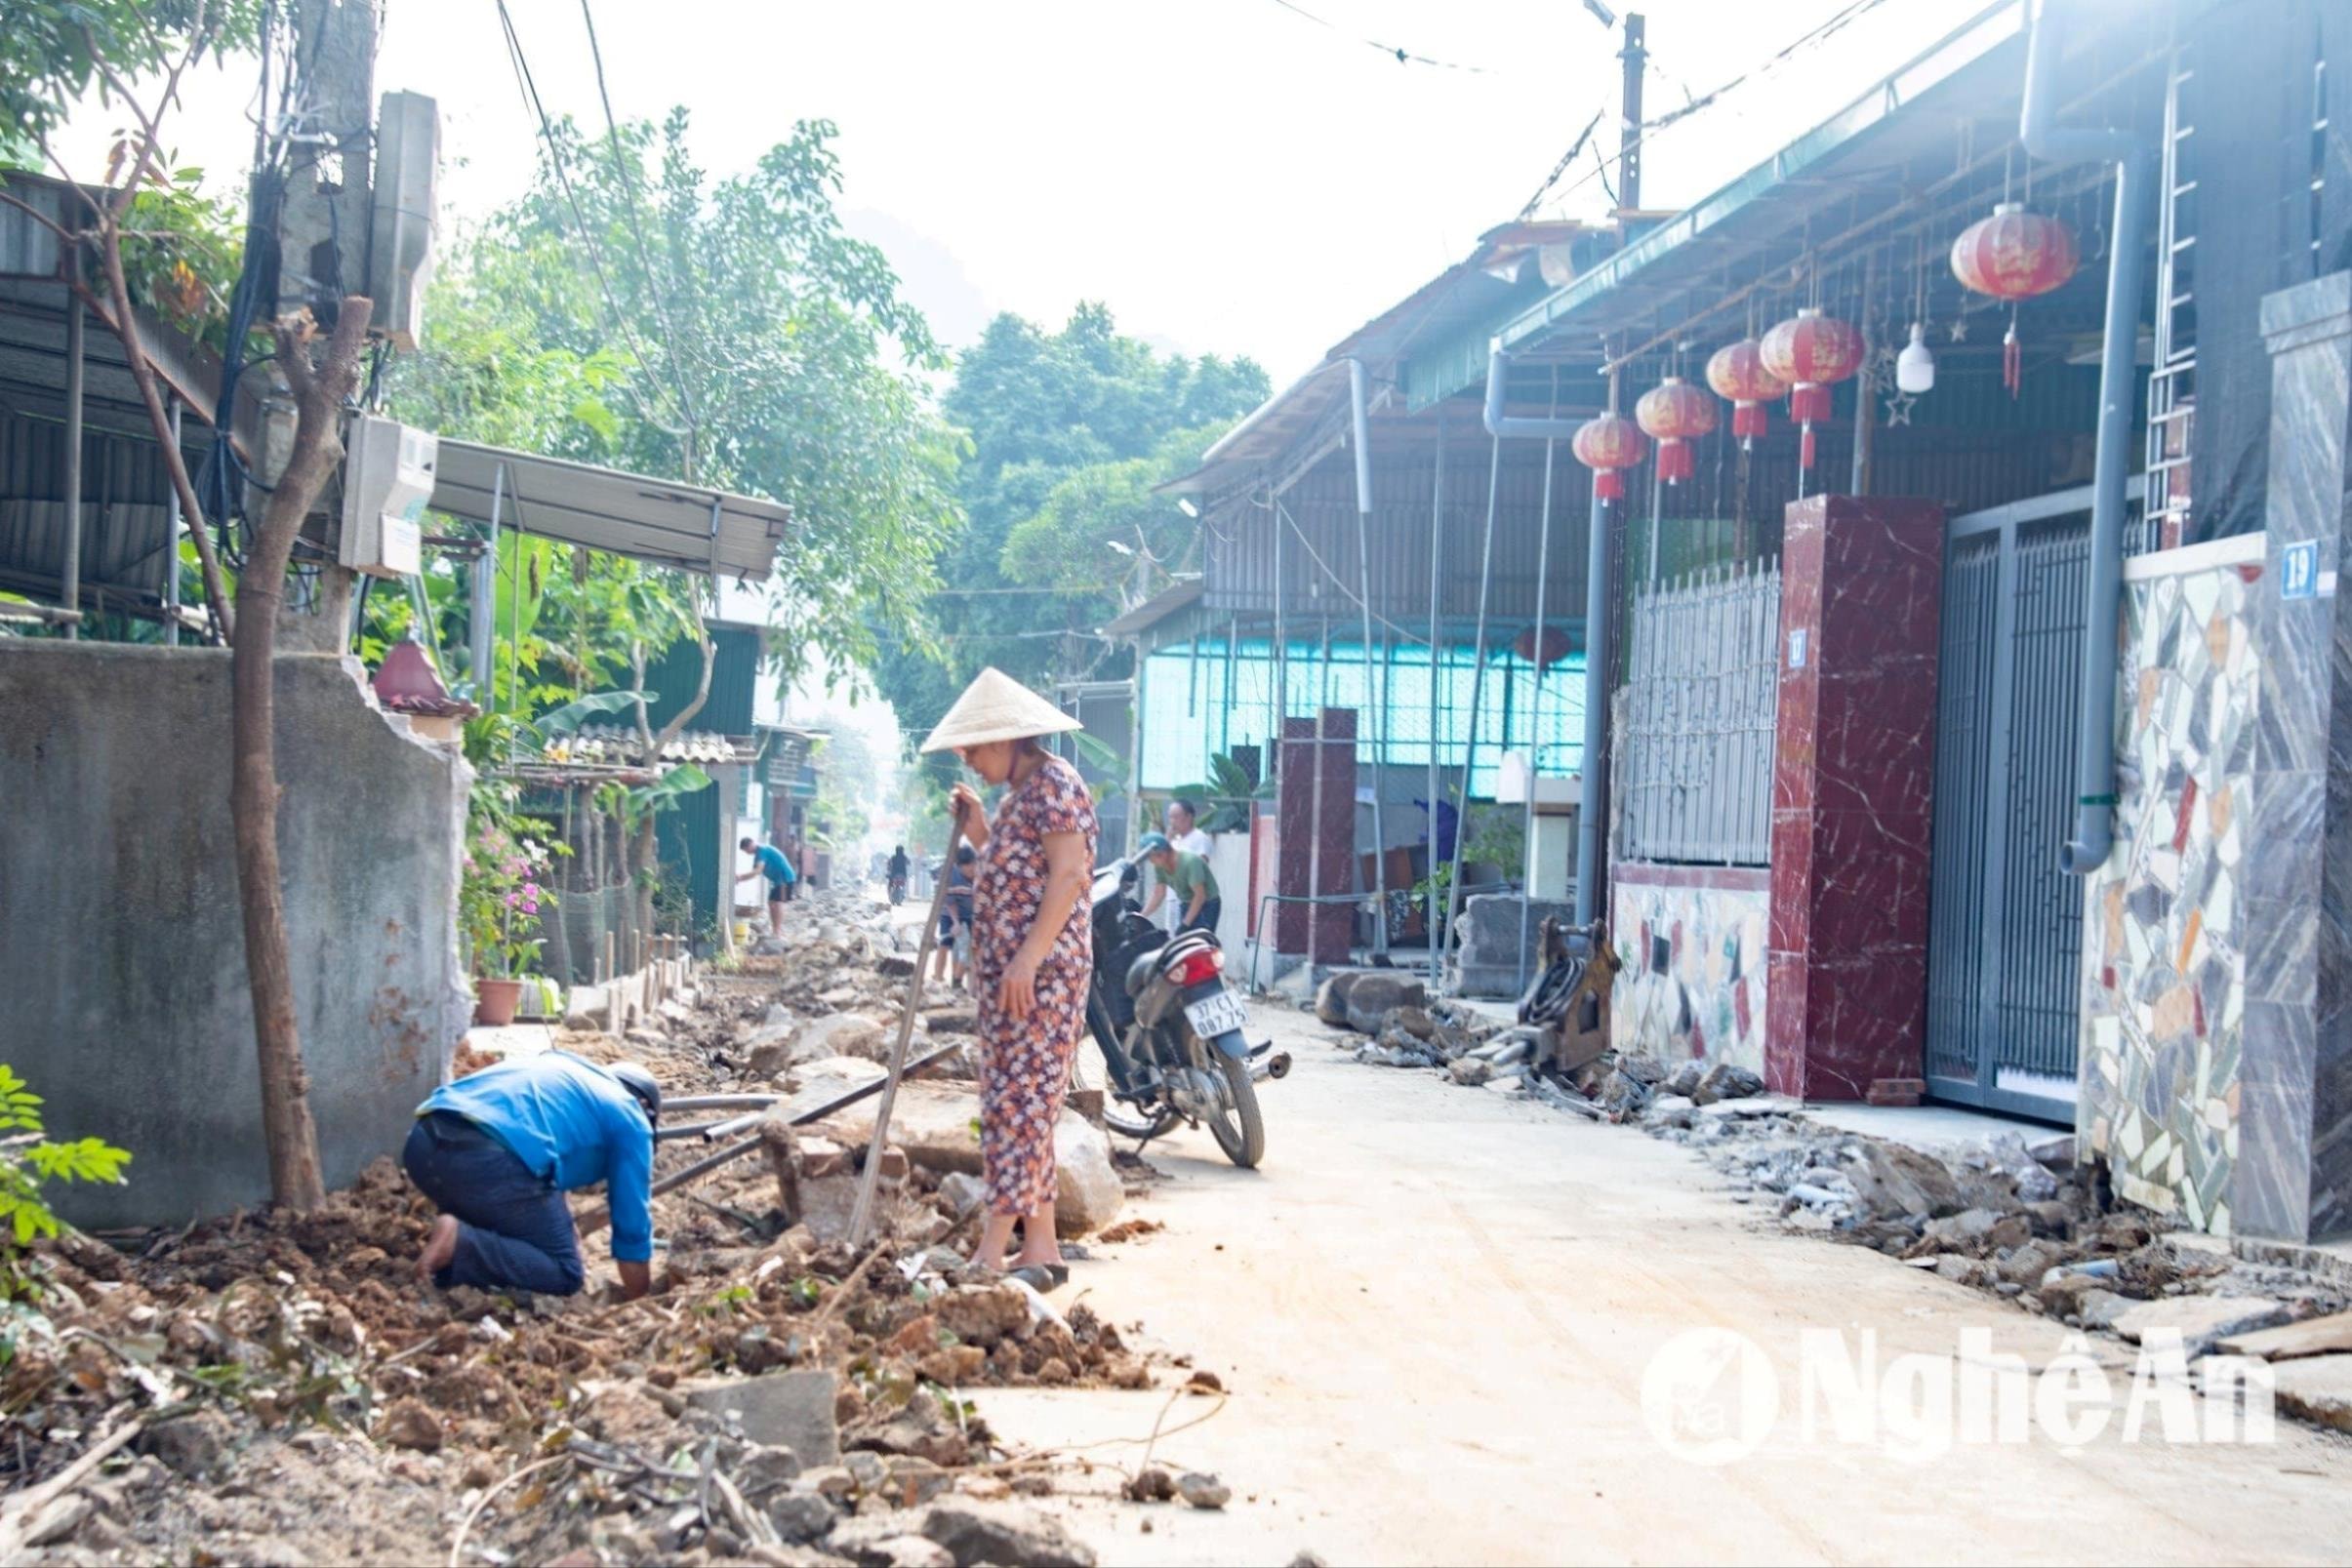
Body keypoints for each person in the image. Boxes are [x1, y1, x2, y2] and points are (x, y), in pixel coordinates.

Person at [922, 667, 1096, 1280]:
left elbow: (1069, 875)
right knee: (1023, 1107)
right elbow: (1016, 876)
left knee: (1015, 1108)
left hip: (1040, 980)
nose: (967, 760)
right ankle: (1040, 1247)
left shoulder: (1055, 785)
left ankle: (991, 1252)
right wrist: (980, 834)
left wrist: (1027, 959)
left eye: (971, 748)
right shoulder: (1020, 796)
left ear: (1004, 740)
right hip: (1012, 981)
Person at [405, 1053, 660, 1300]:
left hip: (422, 1144)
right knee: (565, 1270)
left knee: (509, 1216)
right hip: (485, 1163)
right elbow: (632, 1229)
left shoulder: (566, 1068)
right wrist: (640, 1301)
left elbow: (548, 1151)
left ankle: (458, 1234)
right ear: (644, 1106)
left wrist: (563, 1228)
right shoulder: (631, 1119)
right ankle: (458, 1242)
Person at [1140, 798, 1214, 931]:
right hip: (1173, 899)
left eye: (1176, 817)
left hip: (1191, 901)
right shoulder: (1173, 842)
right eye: (1170, 817)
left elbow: (1201, 870)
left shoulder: (1200, 838)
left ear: (1189, 817)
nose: (1172, 822)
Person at [1139, 831, 1222, 934]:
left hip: (1207, 904)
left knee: (1200, 941)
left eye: (1151, 857)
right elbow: (1159, 893)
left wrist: (1185, 924)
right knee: (1184, 941)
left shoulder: (1190, 862)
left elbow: (1200, 896)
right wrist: (1141, 916)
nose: (1151, 861)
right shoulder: (1160, 866)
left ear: (1162, 854)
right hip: (1186, 902)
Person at [931, 844, 977, 987]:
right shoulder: (952, 876)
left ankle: (956, 981)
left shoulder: (980, 874)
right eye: (967, 866)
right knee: (944, 944)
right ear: (959, 866)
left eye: (973, 864)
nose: (971, 868)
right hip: (948, 913)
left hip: (969, 914)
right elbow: (951, 903)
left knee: (965, 948)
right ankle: (938, 979)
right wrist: (955, 923)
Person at [737, 836, 795, 933]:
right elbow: (755, 873)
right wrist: (741, 878)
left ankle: (777, 931)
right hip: (778, 880)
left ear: (750, 845)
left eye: (746, 850)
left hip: (784, 878)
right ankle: (775, 930)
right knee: (771, 903)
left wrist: (740, 877)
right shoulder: (758, 853)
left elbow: (757, 870)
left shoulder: (762, 850)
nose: (747, 853)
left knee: (777, 903)